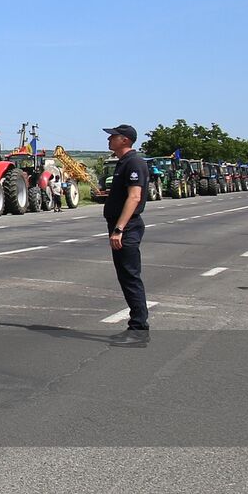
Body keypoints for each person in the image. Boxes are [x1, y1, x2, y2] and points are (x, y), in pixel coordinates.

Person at [103, 125, 150, 341]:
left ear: (124, 140)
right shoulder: (123, 163)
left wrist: (119, 229)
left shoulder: (134, 162)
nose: (109, 140)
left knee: (130, 277)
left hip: (127, 228)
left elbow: (134, 197)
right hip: (121, 226)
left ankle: (139, 329)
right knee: (126, 277)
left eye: (112, 136)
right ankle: (137, 325)